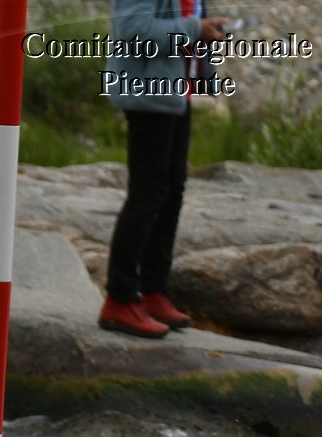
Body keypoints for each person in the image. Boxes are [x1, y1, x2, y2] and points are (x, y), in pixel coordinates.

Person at [98, 0, 229, 339]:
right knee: (149, 193)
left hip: (174, 94)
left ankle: (153, 291)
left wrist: (206, 41)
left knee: (171, 191)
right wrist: (195, 29)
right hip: (147, 94)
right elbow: (134, 31)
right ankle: (120, 298)